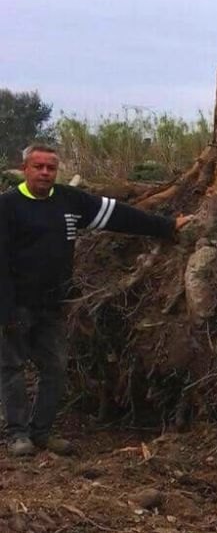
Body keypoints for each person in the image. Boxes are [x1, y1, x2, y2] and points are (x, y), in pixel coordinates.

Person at [0, 143, 191, 456]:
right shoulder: (7, 206)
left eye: (51, 167)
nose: (46, 172)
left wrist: (167, 226)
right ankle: (17, 435)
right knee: (13, 367)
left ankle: (42, 432)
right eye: (39, 167)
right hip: (16, 305)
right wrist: (5, 311)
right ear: (25, 170)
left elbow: (117, 215)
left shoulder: (69, 200)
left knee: (56, 367)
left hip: (53, 305)